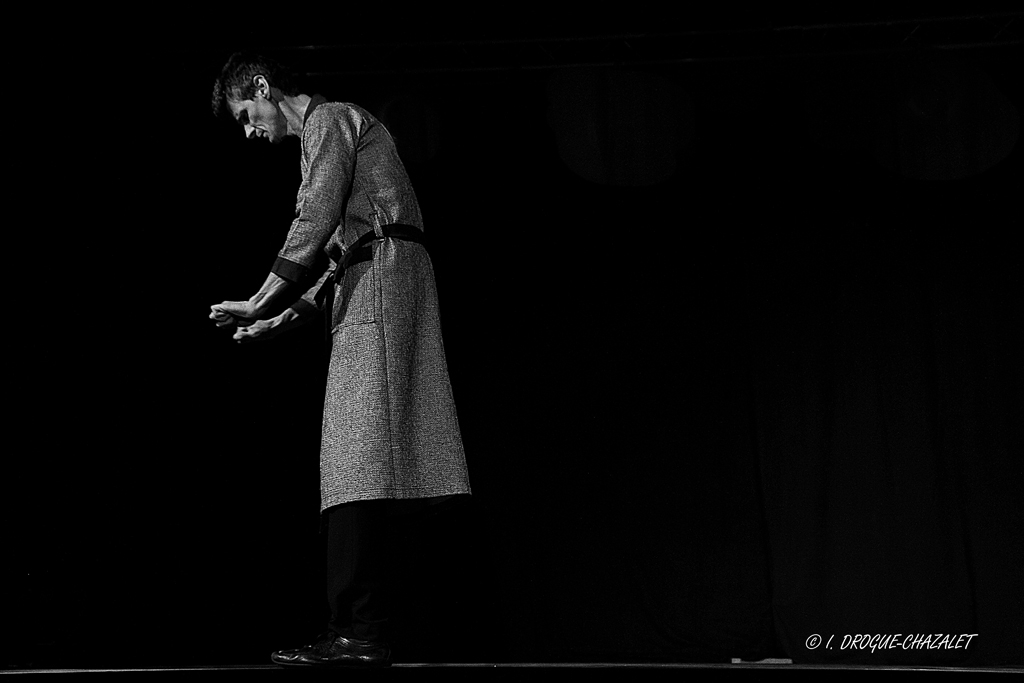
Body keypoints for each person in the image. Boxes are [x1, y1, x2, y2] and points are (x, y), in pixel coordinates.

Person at [208, 52, 471, 667]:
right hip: (373, 275)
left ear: (265, 89)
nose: (250, 131)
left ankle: (359, 629)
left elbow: (314, 219)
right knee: (363, 458)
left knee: (357, 454)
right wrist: (278, 317)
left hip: (383, 277)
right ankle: (363, 625)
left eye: (247, 114)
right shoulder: (329, 136)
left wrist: (259, 297)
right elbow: (331, 256)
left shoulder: (329, 121)